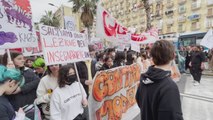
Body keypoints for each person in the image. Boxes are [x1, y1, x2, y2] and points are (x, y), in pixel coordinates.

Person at [136, 40, 183, 120]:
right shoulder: (169, 86)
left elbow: (139, 102)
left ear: (152, 58)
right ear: (173, 56)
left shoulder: (144, 79)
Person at [2, 51, 40, 119]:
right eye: (19, 59)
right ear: (10, 60)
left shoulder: (28, 71)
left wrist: (21, 89)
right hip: (15, 109)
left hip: (30, 107)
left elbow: (37, 81)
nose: (23, 60)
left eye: (23, 58)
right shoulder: (4, 74)